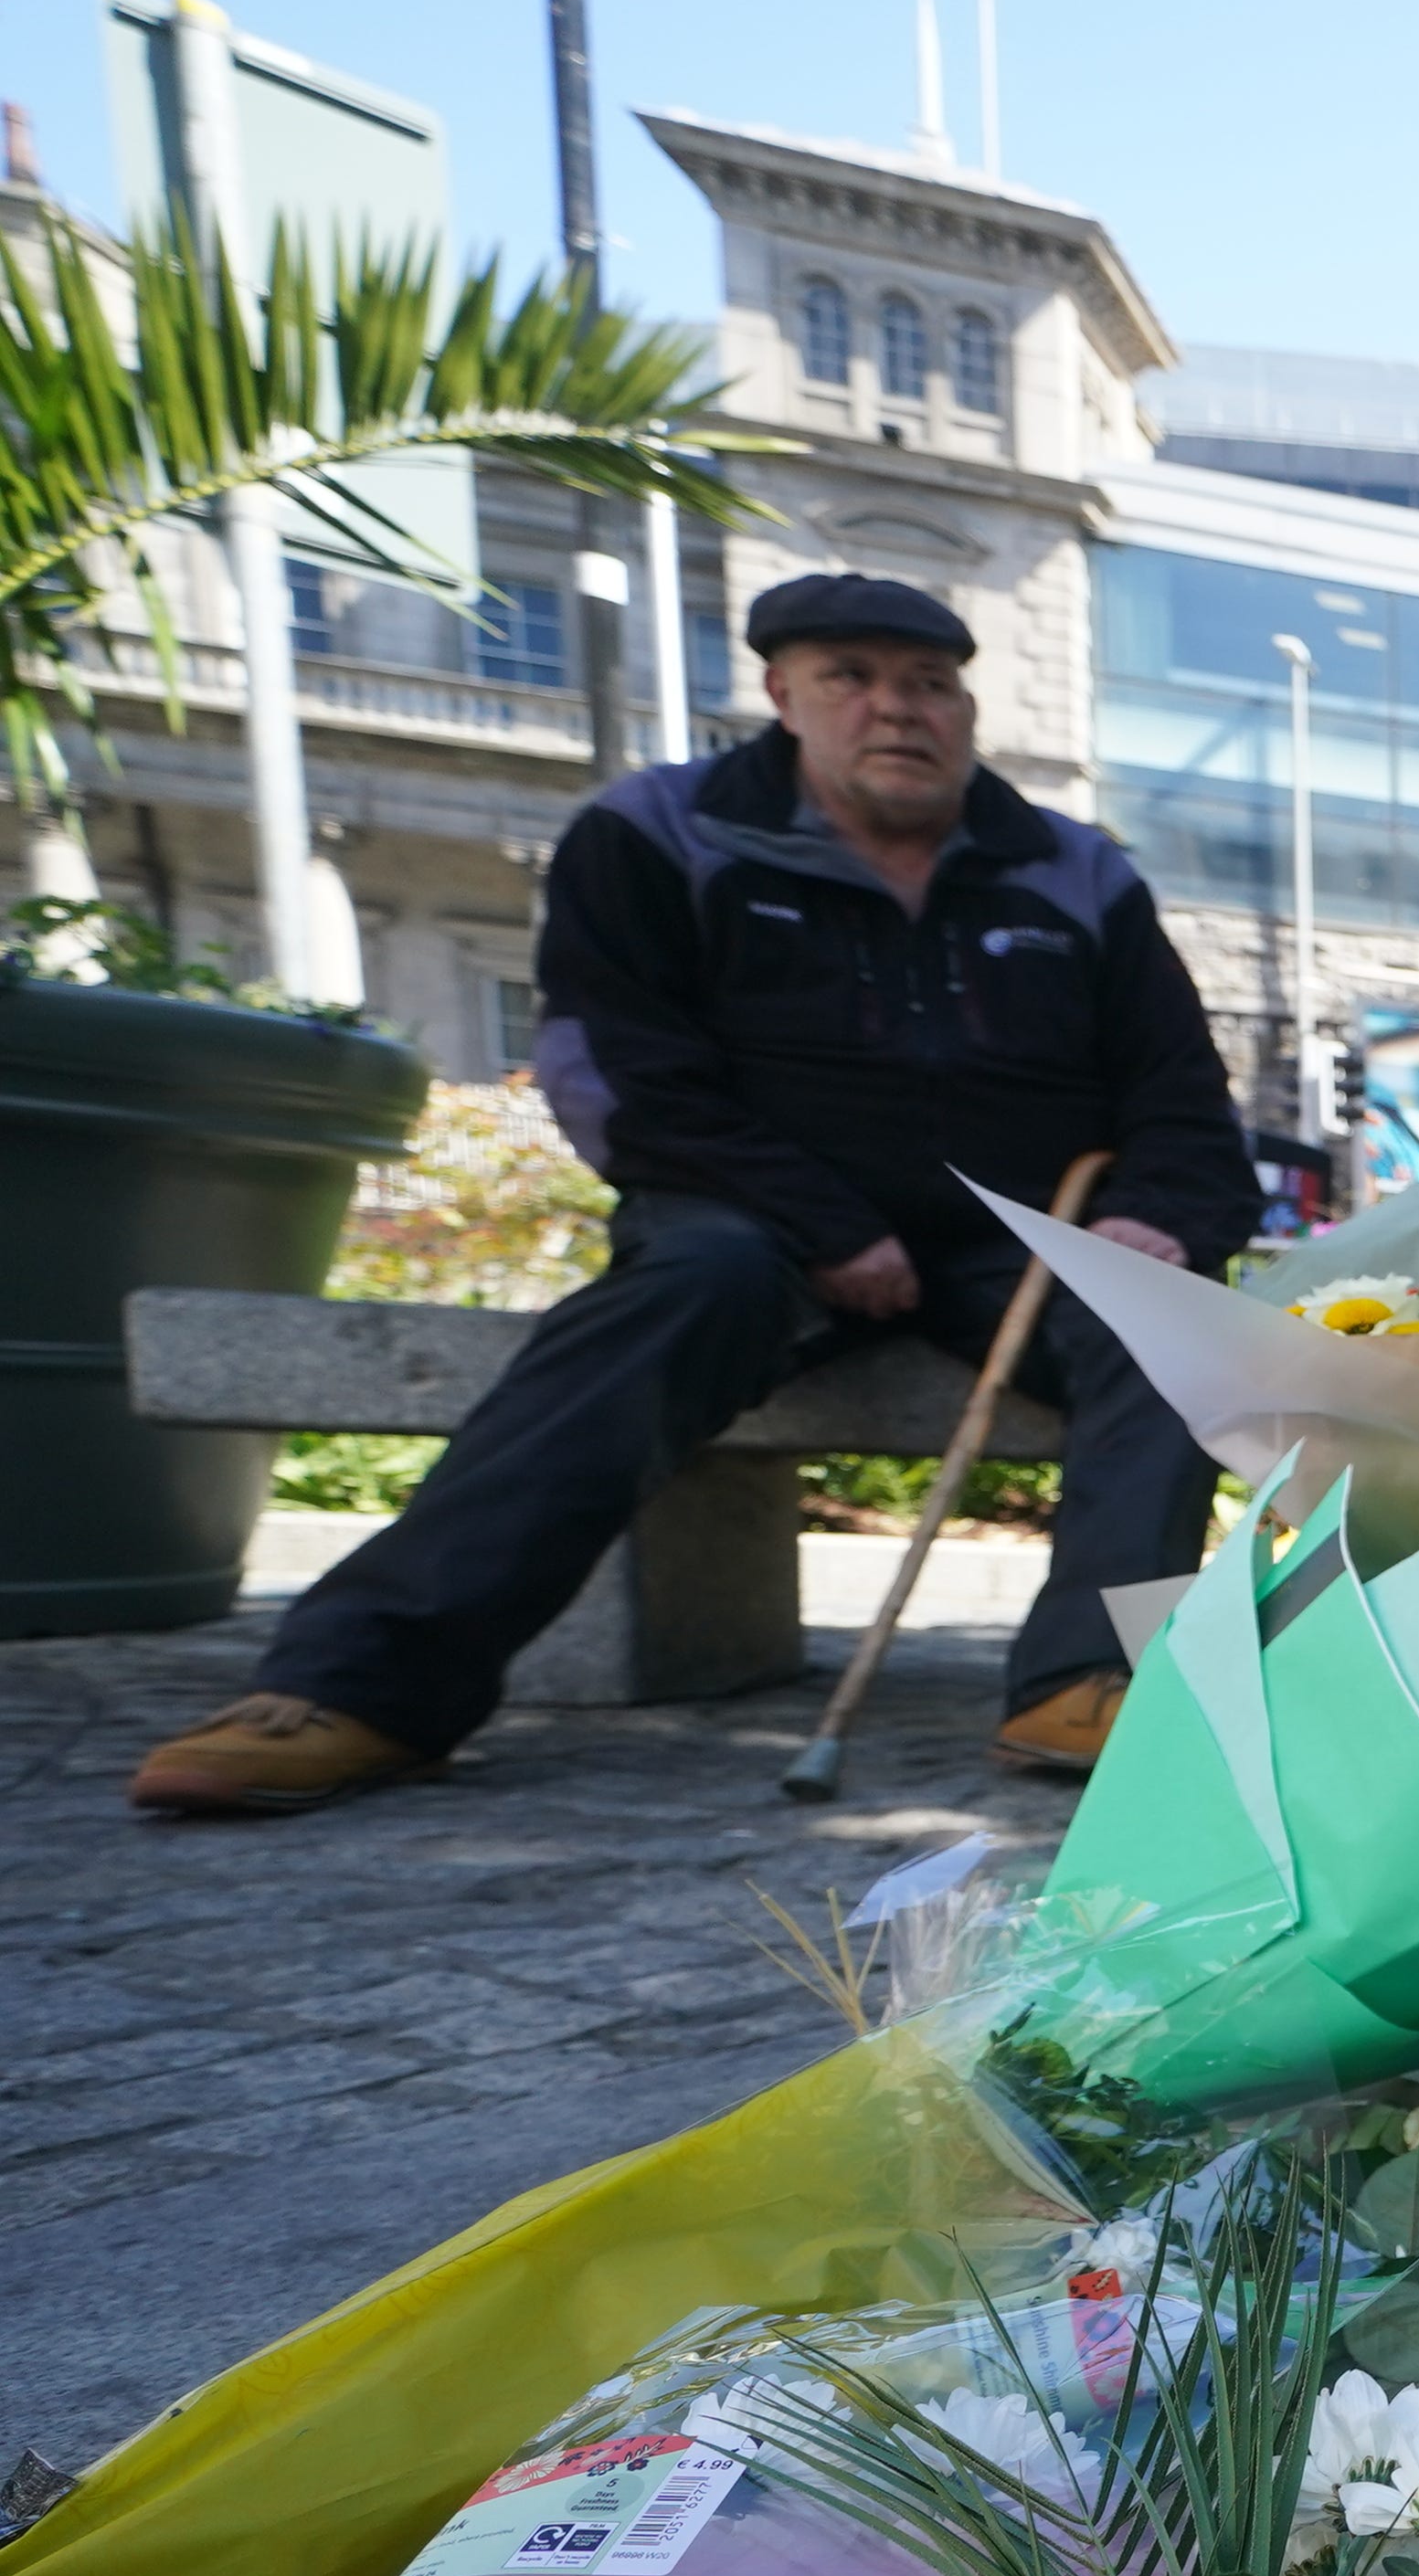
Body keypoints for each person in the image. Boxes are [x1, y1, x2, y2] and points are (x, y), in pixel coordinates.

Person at [127, 572, 1258, 1816]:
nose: (899, 710)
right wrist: (826, 1224)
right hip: (751, 1222)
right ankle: (359, 1684)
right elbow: (621, 1074)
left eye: (931, 684)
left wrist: (1161, 1216)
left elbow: (1180, 1096)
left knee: (1168, 1320)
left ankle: (1094, 1674)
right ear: (781, 696)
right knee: (679, 1296)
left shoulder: (1076, 871)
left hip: (1017, 1238)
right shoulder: (660, 834)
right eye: (853, 679)